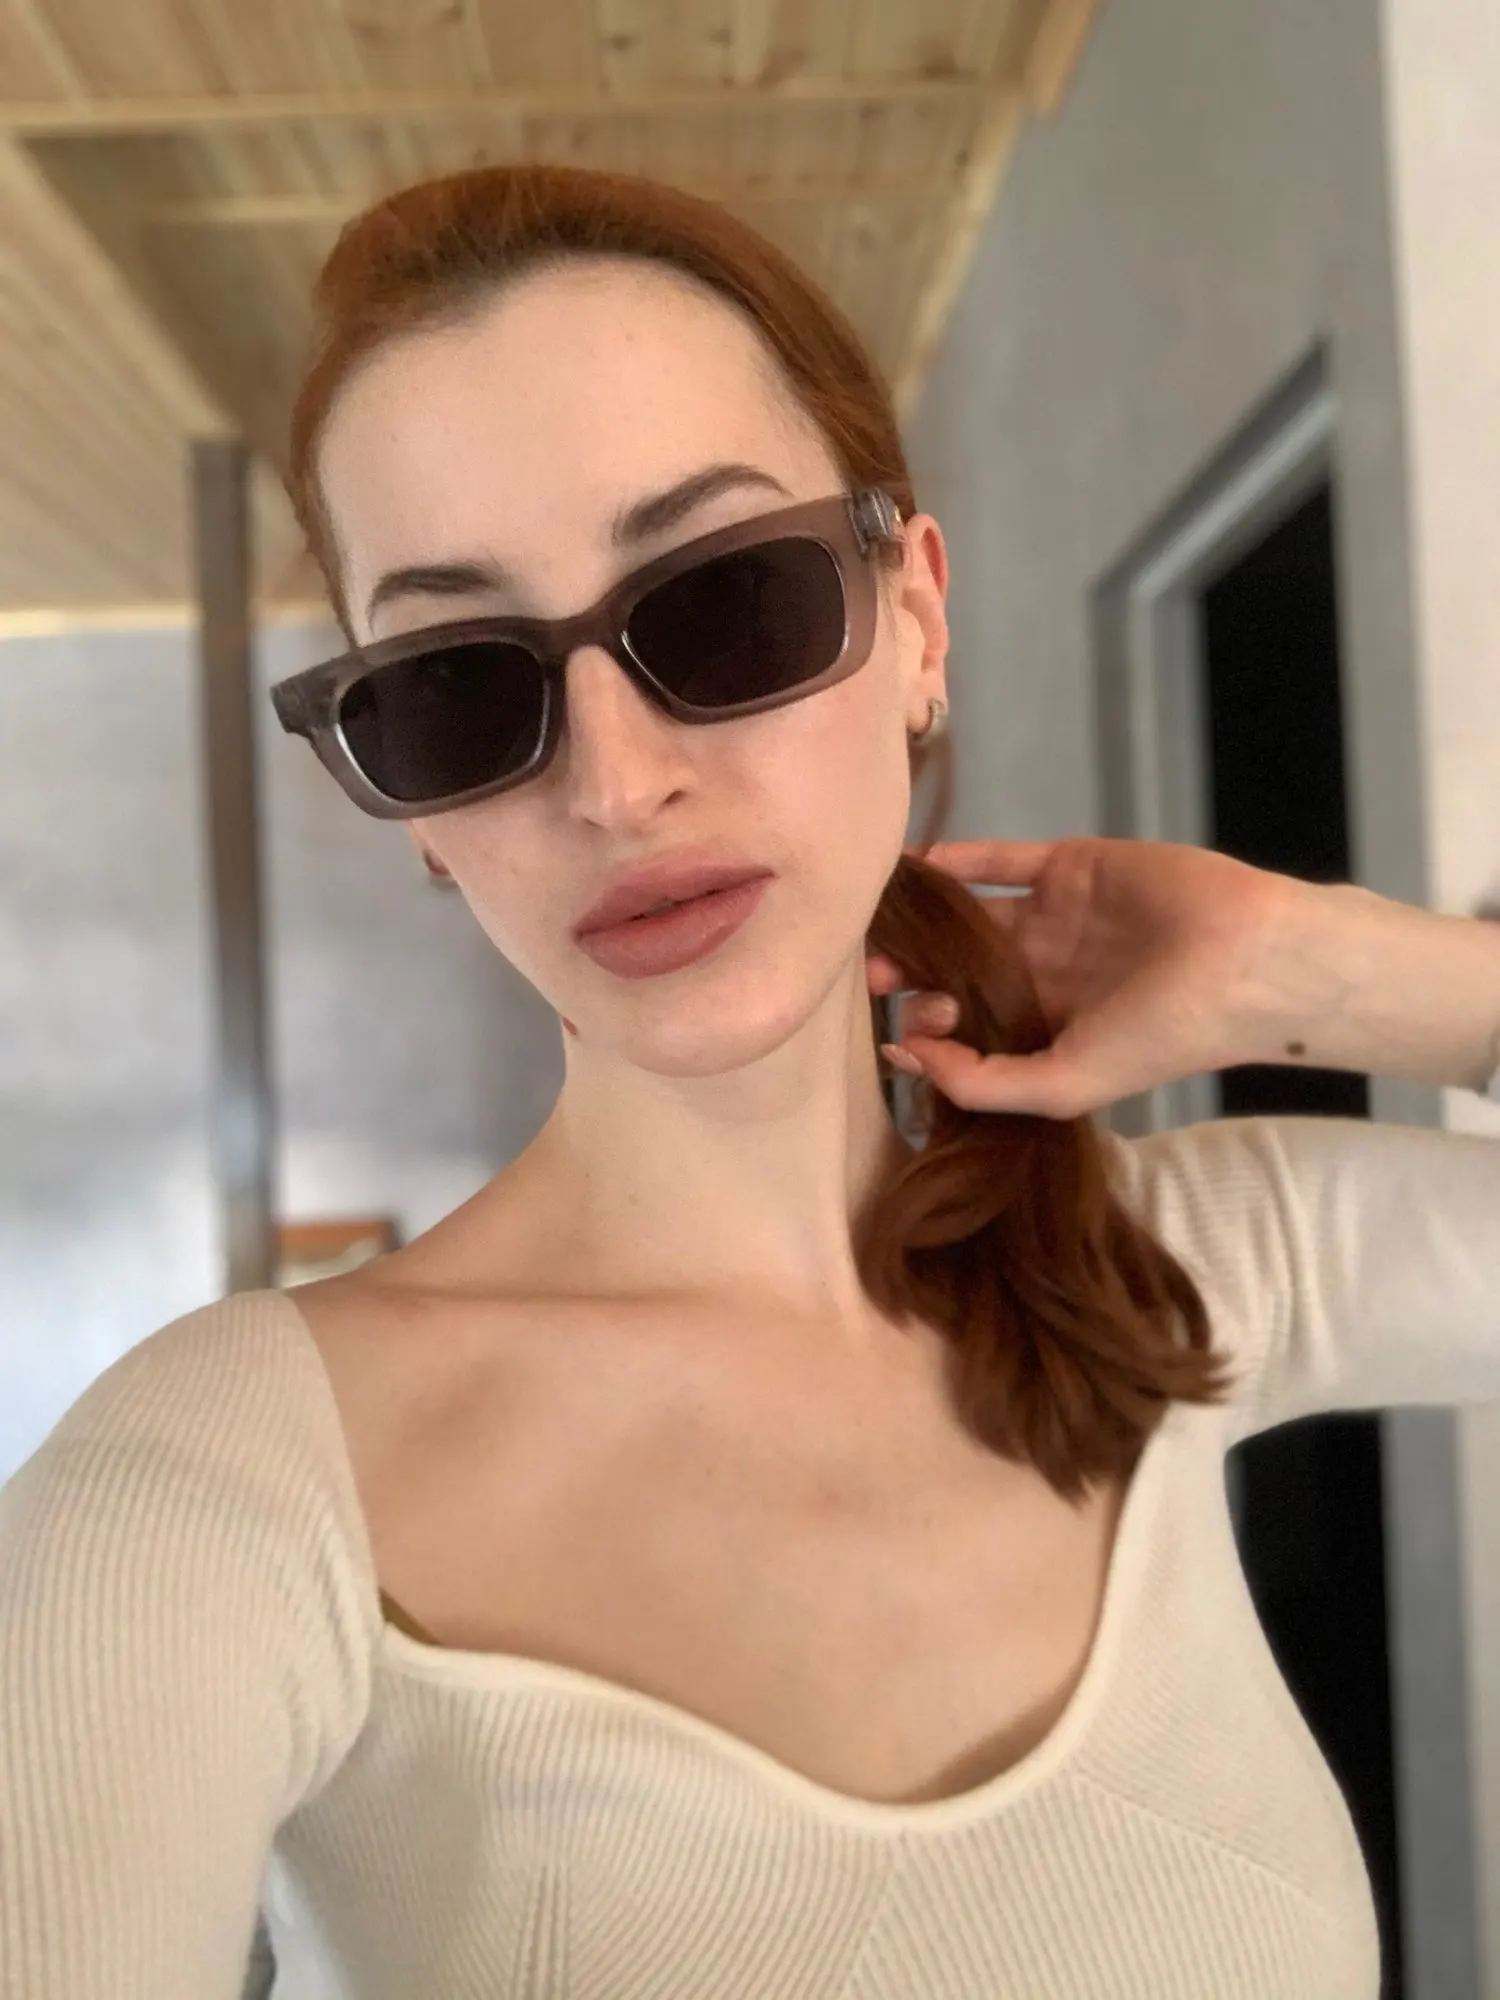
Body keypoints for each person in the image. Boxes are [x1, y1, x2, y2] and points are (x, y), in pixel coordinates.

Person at [2, 162, 1498, 2000]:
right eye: (460, 685)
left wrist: (1330, 966)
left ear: (916, 622)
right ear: (416, 815)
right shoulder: (225, 1487)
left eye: (723, 602)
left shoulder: (1167, 1274)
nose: (615, 783)